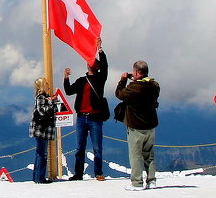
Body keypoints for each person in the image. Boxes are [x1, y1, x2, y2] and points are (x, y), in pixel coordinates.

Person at [63, 39, 109, 181]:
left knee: (97, 148)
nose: (89, 64)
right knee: (80, 148)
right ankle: (78, 174)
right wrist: (66, 78)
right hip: (82, 117)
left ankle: (98, 173)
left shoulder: (100, 78)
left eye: (92, 63)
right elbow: (69, 91)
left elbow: (106, 66)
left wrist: (100, 49)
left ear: (97, 67)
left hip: (94, 117)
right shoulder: (82, 80)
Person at [115, 59, 160, 189]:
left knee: (135, 155)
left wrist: (123, 80)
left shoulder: (134, 88)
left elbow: (119, 93)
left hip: (136, 127)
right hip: (151, 126)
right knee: (149, 154)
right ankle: (152, 180)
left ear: (135, 71)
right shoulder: (154, 85)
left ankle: (137, 182)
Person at [28, 77, 57, 183]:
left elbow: (53, 111)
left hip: (44, 129)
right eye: (46, 83)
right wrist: (50, 103)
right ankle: (40, 177)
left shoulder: (46, 97)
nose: (48, 84)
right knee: (42, 153)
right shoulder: (41, 97)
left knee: (40, 153)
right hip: (41, 130)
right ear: (42, 86)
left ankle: (37, 177)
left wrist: (52, 102)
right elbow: (42, 112)